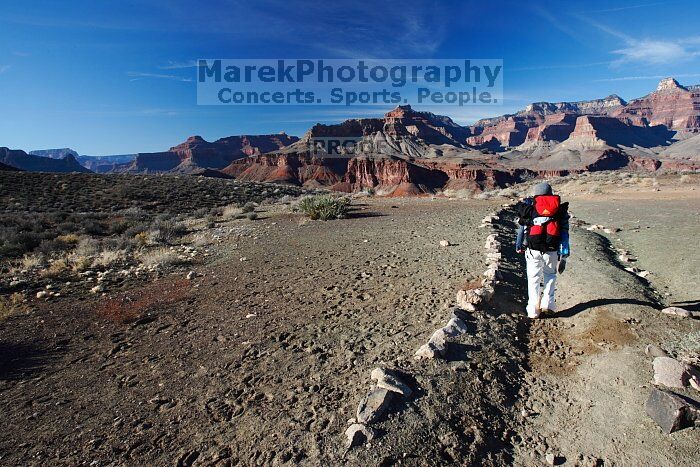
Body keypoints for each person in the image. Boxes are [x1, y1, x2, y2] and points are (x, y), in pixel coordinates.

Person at [515, 182, 570, 319]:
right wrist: (564, 254)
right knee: (550, 276)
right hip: (552, 250)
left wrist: (518, 244)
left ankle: (533, 311)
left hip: (533, 249)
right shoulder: (559, 209)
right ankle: (548, 304)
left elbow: (522, 228)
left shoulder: (531, 207)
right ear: (551, 193)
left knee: (533, 279)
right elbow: (564, 232)